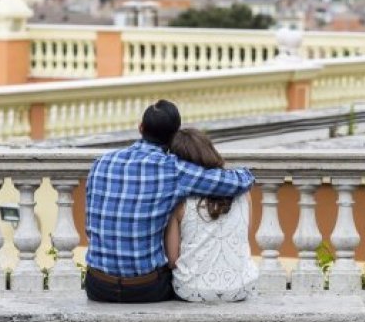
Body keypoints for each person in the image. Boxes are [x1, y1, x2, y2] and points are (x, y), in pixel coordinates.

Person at [84, 100, 254, 303]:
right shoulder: (173, 169)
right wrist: (247, 174)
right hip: (145, 289)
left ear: (141, 127)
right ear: (175, 135)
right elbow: (238, 181)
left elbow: (89, 228)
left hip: (98, 286)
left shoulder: (101, 163)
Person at [165, 128, 259, 302]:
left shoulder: (180, 201)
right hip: (241, 287)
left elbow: (172, 259)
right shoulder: (243, 193)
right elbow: (245, 237)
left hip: (191, 290)